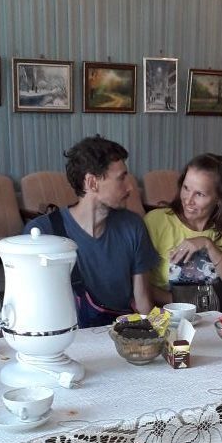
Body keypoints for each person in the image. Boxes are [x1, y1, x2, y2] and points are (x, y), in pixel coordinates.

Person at [24, 135, 156, 326]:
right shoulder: (43, 233)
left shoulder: (133, 226)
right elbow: (33, 309)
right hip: (66, 337)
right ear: (92, 182)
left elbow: (143, 303)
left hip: (122, 334)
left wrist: (164, 331)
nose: (130, 187)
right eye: (121, 178)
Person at [144, 153, 222, 303]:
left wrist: (208, 245)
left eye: (199, 194)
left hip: (215, 315)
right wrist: (185, 303)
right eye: (186, 188)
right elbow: (138, 284)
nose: (188, 200)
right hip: (167, 313)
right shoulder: (156, 221)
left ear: (219, 198)